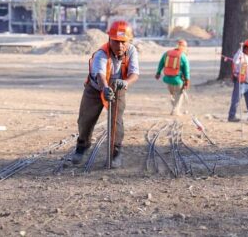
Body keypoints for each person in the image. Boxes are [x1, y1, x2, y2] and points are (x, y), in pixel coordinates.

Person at [71, 20, 139, 168]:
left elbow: (134, 73)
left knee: (116, 122)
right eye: (116, 41)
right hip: (95, 89)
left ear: (128, 41)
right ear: (109, 39)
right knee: (85, 119)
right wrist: (105, 88)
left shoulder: (132, 50)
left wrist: (126, 82)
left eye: (123, 42)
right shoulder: (101, 53)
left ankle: (115, 154)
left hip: (118, 88)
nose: (120, 46)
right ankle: (82, 146)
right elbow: (100, 75)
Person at [155, 39, 190, 116]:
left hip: (167, 79)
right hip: (178, 80)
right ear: (184, 47)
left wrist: (158, 73)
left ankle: (174, 108)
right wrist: (187, 81)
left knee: (173, 94)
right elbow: (186, 70)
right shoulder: (183, 56)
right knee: (179, 95)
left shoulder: (167, 53)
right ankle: (175, 111)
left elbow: (161, 63)